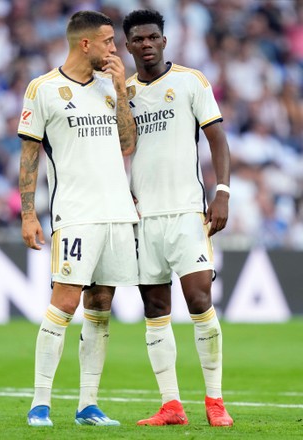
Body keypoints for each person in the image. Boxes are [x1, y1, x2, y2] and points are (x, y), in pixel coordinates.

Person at [18, 10, 139, 427]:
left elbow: (127, 144)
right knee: (64, 303)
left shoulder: (110, 87)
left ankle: (88, 405)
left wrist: (121, 90)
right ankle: (39, 403)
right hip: (75, 213)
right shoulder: (44, 89)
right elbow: (30, 155)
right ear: (85, 43)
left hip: (117, 214)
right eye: (108, 41)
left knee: (101, 304)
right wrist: (29, 212)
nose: (114, 48)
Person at [122, 9, 233, 427]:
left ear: (164, 41)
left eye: (154, 37)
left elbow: (217, 138)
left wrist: (222, 192)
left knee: (200, 300)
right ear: (129, 45)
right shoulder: (122, 92)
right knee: (154, 306)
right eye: (139, 39)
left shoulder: (191, 81)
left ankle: (215, 401)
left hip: (188, 211)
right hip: (142, 217)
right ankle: (171, 405)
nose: (147, 44)